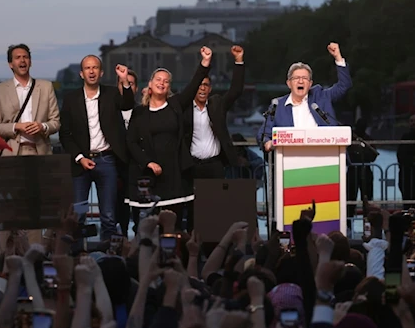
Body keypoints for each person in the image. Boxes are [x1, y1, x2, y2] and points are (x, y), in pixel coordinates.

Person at [125, 46, 213, 230]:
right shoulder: (139, 112)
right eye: (158, 79)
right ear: (150, 84)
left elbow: (193, 85)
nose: (162, 83)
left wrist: (205, 62)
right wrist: (148, 162)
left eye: (166, 81)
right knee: (147, 227)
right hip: (149, 175)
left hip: (174, 175)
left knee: (173, 226)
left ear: (169, 86)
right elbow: (131, 142)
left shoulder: (175, 104)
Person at [0, 43, 61, 253]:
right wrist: (16, 127)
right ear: (10, 64)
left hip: (38, 153)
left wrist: (42, 126)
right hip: (10, 154)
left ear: (30, 60)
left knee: (35, 210)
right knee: (8, 210)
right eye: (17, 57)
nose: (22, 60)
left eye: (25, 56)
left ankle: (35, 256)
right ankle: (5, 257)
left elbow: (56, 122)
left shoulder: (45, 87)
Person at [59, 56, 134, 241]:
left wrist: (124, 80)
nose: (91, 71)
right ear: (81, 73)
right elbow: (65, 134)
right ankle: (77, 259)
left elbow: (128, 104)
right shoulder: (71, 99)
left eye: (95, 68)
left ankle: (108, 257)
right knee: (79, 215)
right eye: (87, 68)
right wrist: (79, 158)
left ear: (101, 73)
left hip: (107, 161)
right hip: (80, 165)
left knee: (108, 215)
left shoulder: (111, 94)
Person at [181, 45, 246, 231]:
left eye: (206, 85)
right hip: (192, 166)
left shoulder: (217, 104)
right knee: (193, 211)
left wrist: (239, 60)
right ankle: (194, 246)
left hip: (215, 165)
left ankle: (215, 246)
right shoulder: (184, 107)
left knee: (216, 209)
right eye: (199, 85)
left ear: (210, 89)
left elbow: (235, 90)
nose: (202, 89)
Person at [256, 42, 352, 151]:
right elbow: (263, 134)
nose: (301, 81)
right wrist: (267, 143)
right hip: (290, 163)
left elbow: (344, 85)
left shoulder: (321, 97)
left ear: (310, 84)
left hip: (327, 159)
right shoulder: (277, 106)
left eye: (305, 78)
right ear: (289, 83)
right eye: (296, 78)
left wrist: (338, 57)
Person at [116, 69, 140, 236]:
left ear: (136, 88)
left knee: (139, 207)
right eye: (123, 83)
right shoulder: (111, 112)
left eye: (131, 84)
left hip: (138, 166)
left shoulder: (142, 111)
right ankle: (122, 238)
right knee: (119, 206)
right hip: (117, 165)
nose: (127, 86)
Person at [346, 118, 378, 217]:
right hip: (353, 172)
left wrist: (361, 154)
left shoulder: (368, 139)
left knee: (367, 200)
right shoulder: (350, 138)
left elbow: (373, 156)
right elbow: (347, 155)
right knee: (350, 200)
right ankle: (348, 224)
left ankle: (367, 224)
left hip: (365, 171)